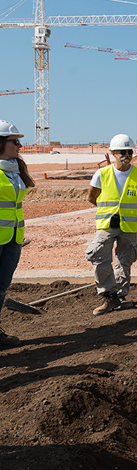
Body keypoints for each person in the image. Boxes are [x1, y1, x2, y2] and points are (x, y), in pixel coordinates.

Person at [86, 134, 137, 316]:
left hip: (129, 225)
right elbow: (91, 197)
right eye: (122, 151)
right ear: (113, 153)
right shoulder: (102, 174)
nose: (126, 154)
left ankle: (119, 297)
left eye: (129, 151)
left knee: (125, 260)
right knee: (100, 258)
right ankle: (109, 296)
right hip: (106, 224)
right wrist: (110, 210)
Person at [0, 121, 34, 347]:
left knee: (2, 286)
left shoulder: (14, 169)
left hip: (12, 237)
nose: (20, 145)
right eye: (15, 141)